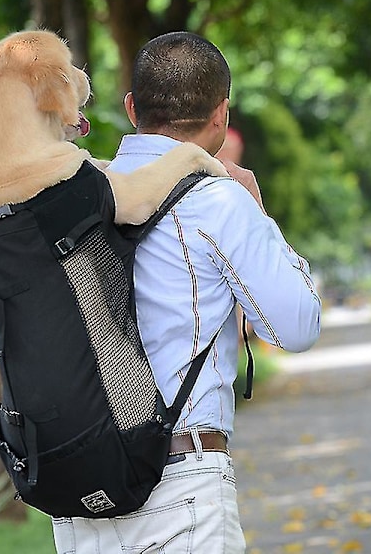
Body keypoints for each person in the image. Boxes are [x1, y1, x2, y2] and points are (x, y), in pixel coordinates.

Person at [51, 32, 321, 553]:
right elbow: (297, 326)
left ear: (131, 108)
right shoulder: (219, 200)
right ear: (221, 114)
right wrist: (258, 213)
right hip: (181, 485)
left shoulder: (79, 193)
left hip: (80, 495)